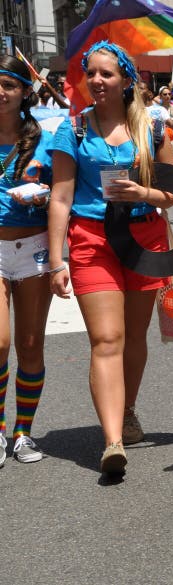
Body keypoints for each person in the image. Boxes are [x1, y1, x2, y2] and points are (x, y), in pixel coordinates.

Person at [48, 41, 173, 476]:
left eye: (107, 74)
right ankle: (113, 440)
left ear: (126, 80)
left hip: (144, 238)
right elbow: (61, 196)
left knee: (135, 338)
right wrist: (55, 259)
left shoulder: (153, 129)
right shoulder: (73, 129)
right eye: (92, 74)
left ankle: (129, 407)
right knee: (106, 340)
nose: (98, 81)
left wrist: (145, 193)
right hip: (92, 239)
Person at [0, 56, 55, 467]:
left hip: (34, 246)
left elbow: (64, 191)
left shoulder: (45, 139)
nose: (1, 93)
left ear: (24, 92)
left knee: (30, 343)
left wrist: (44, 194)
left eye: (8, 85)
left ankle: (22, 433)